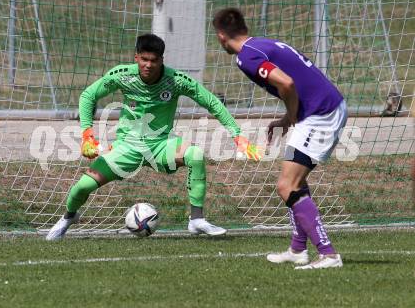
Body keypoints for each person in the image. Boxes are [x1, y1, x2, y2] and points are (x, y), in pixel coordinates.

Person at [46, 33, 260, 240]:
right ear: (136, 57)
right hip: (126, 148)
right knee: (83, 187)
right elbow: (88, 96)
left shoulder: (176, 80)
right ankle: (69, 217)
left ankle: (196, 219)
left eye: (154, 60)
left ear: (161, 60)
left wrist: (237, 136)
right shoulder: (122, 75)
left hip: (160, 145)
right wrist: (87, 135)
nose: (148, 65)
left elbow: (211, 102)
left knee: (195, 154)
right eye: (144, 59)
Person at [213, 8, 347, 269]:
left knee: (287, 186)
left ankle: (329, 255)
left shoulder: (246, 56)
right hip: (323, 107)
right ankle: (298, 250)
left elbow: (286, 84)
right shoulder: (262, 43)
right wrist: (289, 118)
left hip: (320, 113)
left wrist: (293, 115)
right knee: (295, 182)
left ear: (220, 36)